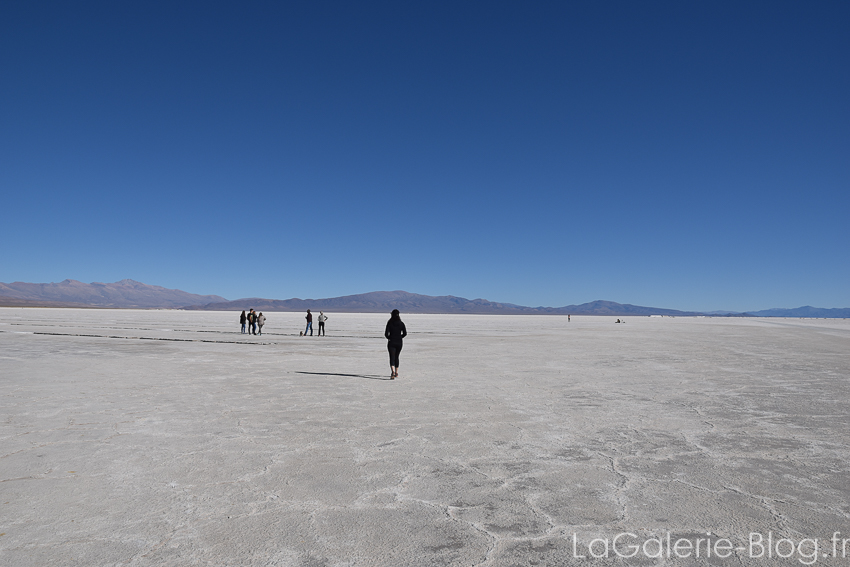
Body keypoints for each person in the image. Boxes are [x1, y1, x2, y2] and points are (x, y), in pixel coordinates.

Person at [384, 309, 407, 379]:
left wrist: (390, 338)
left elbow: (386, 334)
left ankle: (393, 372)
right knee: (397, 357)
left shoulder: (389, 322)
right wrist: (400, 337)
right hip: (399, 342)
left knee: (392, 357)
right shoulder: (401, 323)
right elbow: (405, 333)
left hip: (391, 342)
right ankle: (396, 372)